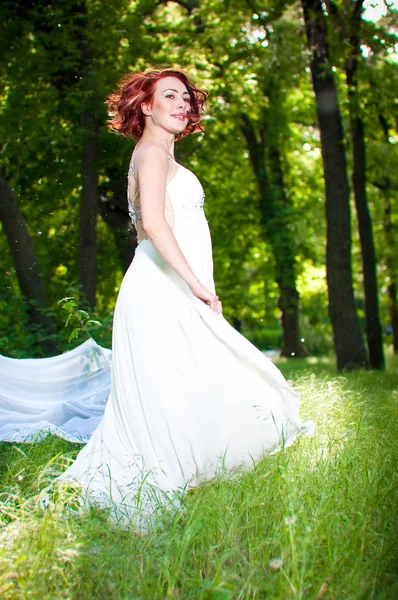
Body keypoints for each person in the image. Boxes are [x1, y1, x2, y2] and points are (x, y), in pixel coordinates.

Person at [58, 68, 314, 529]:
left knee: (189, 379)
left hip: (162, 285)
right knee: (199, 375)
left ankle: (193, 462)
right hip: (161, 288)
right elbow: (153, 224)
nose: (182, 103)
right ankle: (168, 469)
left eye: (186, 97)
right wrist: (196, 284)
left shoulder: (158, 155)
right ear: (146, 106)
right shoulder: (152, 154)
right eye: (169, 96)